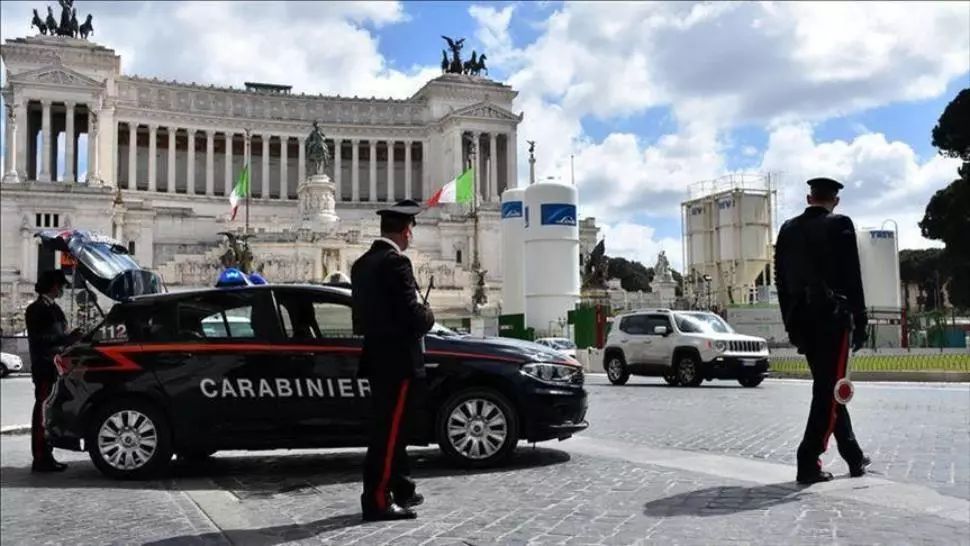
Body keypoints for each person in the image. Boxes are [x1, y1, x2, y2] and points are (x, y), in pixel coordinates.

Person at [775, 177, 872, 485]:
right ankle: (808, 458)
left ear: (809, 198)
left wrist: (790, 322)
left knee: (828, 385)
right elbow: (852, 276)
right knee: (828, 391)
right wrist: (861, 319)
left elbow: (780, 281)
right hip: (832, 318)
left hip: (801, 320)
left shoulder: (787, 229)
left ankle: (853, 454)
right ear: (835, 200)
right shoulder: (840, 224)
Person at [351, 199, 435, 521]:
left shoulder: (361, 264)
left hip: (376, 357)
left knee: (392, 428)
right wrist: (428, 314)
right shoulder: (396, 263)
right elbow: (414, 316)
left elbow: (362, 319)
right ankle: (377, 501)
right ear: (406, 231)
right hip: (398, 361)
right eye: (411, 228)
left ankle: (401, 487)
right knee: (387, 435)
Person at [25, 270, 80, 472]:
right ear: (53, 286)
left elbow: (61, 332)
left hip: (56, 366)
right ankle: (40, 457)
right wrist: (66, 338)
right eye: (60, 285)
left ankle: (47, 455)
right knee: (42, 412)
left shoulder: (55, 309)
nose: (62, 289)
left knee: (49, 414)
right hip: (44, 367)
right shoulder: (35, 309)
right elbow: (40, 339)